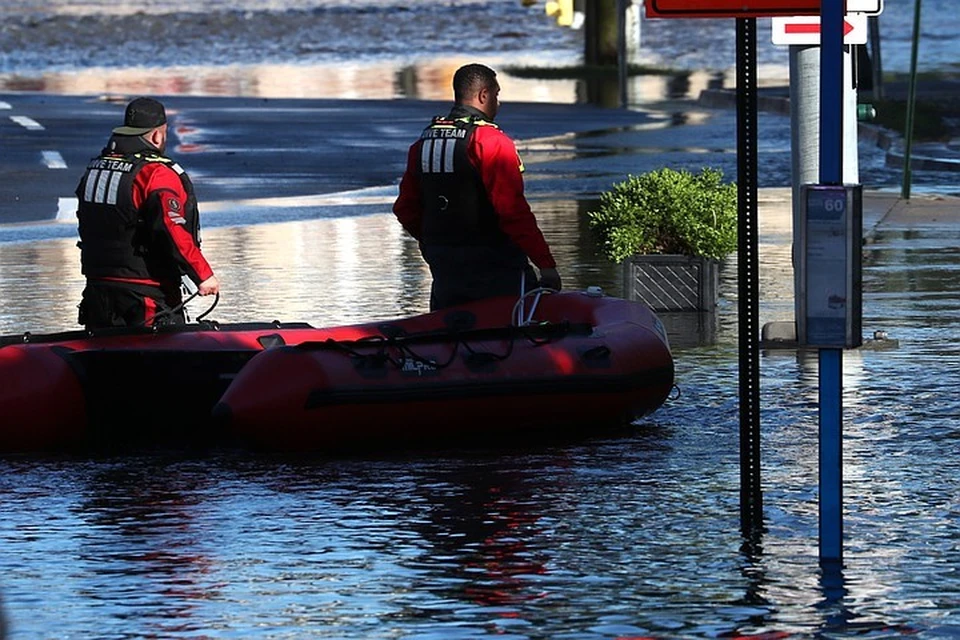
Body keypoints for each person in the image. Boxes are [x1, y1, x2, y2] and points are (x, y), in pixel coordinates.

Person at [393, 63, 562, 311]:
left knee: (446, 336)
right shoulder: (491, 142)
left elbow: (405, 209)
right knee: (514, 331)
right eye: (496, 94)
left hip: (445, 265)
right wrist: (546, 264)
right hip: (495, 265)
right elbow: (512, 212)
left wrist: (434, 242)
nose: (499, 103)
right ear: (484, 95)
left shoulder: (423, 144)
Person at [75, 96, 220, 329]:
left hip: (98, 289)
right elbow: (171, 229)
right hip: (146, 294)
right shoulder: (155, 174)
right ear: (157, 135)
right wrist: (203, 275)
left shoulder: (95, 169)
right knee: (159, 362)